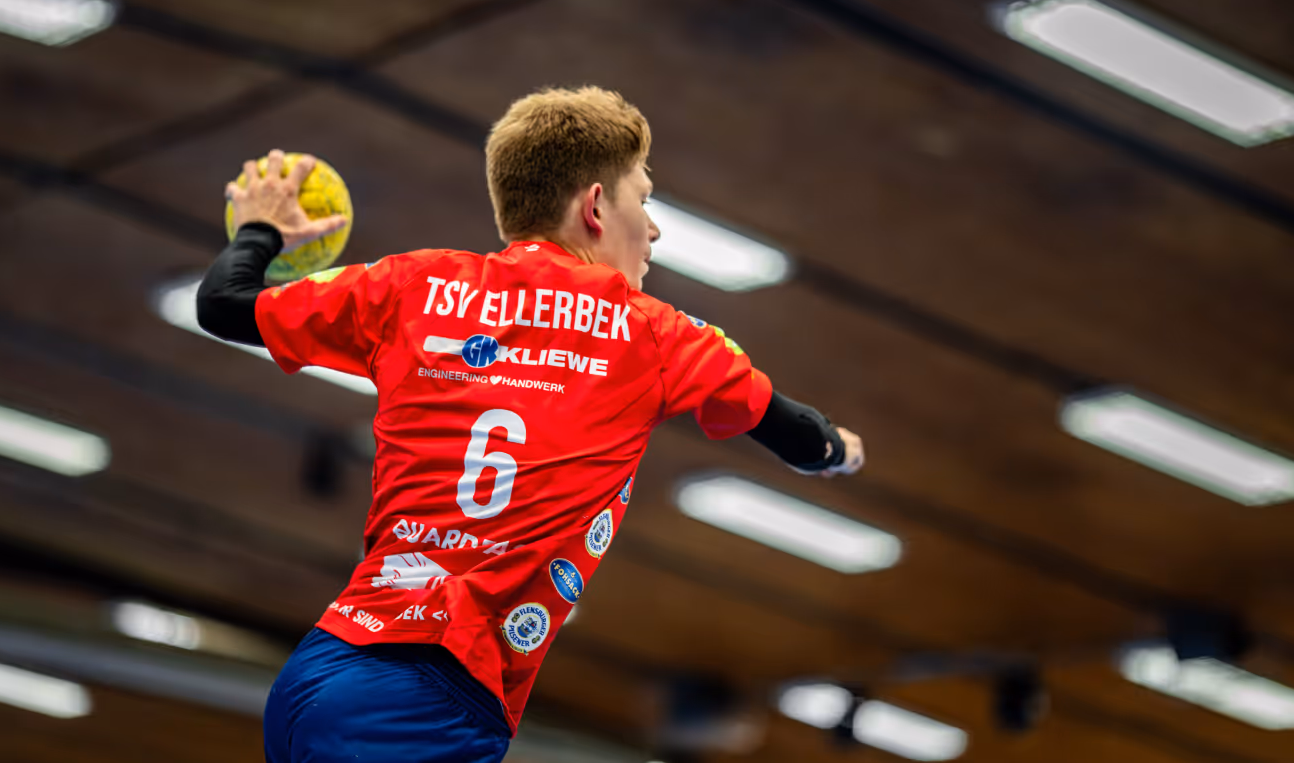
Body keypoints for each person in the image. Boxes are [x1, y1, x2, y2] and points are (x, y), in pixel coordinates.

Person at [197, 87, 865, 763]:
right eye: (645, 201)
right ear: (597, 206)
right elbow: (798, 435)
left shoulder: (413, 286)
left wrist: (261, 231)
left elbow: (224, 305)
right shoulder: (658, 336)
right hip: (430, 695)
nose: (655, 230)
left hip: (327, 666)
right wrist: (842, 451)